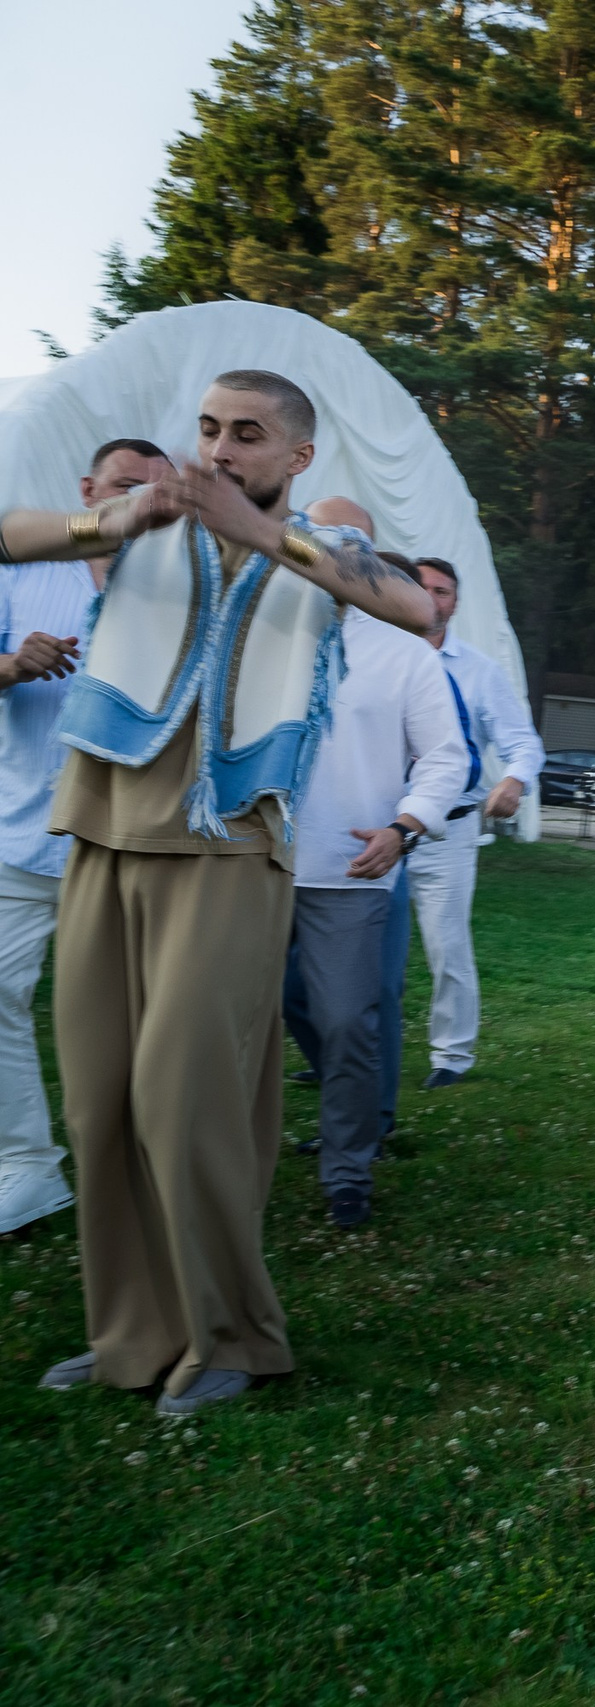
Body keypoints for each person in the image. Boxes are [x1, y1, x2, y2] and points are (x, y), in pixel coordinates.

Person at [13, 369, 434, 1416]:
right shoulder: (142, 525)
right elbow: (13, 534)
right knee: (101, 1100)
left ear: (296, 457)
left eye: (247, 434)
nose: (219, 449)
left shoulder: (319, 549)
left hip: (230, 846)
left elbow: (415, 605)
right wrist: (113, 510)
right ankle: (131, 1339)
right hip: (105, 828)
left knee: (183, 1099)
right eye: (207, 430)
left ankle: (235, 1337)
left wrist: (257, 526)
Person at [0, 439, 169, 1237]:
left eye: (153, 492)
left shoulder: (175, 582)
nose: (138, 502)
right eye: (125, 486)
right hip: (24, 833)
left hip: (131, 840)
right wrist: (10, 664)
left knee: (139, 1018)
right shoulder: (24, 569)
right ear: (88, 489)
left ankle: (146, 1171)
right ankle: (29, 1170)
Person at [282, 554, 469, 1228]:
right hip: (246, 864)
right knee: (232, 1019)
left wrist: (403, 826)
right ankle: (221, 1164)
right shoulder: (264, 629)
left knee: (347, 1024)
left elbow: (448, 757)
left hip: (348, 867)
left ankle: (347, 1173)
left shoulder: (404, 654)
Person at [404, 554, 544, 1090]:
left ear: (455, 603)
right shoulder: (375, 657)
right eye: (421, 588)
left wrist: (514, 780)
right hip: (374, 825)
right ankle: (347, 1047)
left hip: (448, 828)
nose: (432, 599)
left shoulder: (479, 672)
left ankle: (451, 1055)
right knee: (360, 943)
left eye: (443, 591)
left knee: (445, 945)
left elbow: (522, 742)